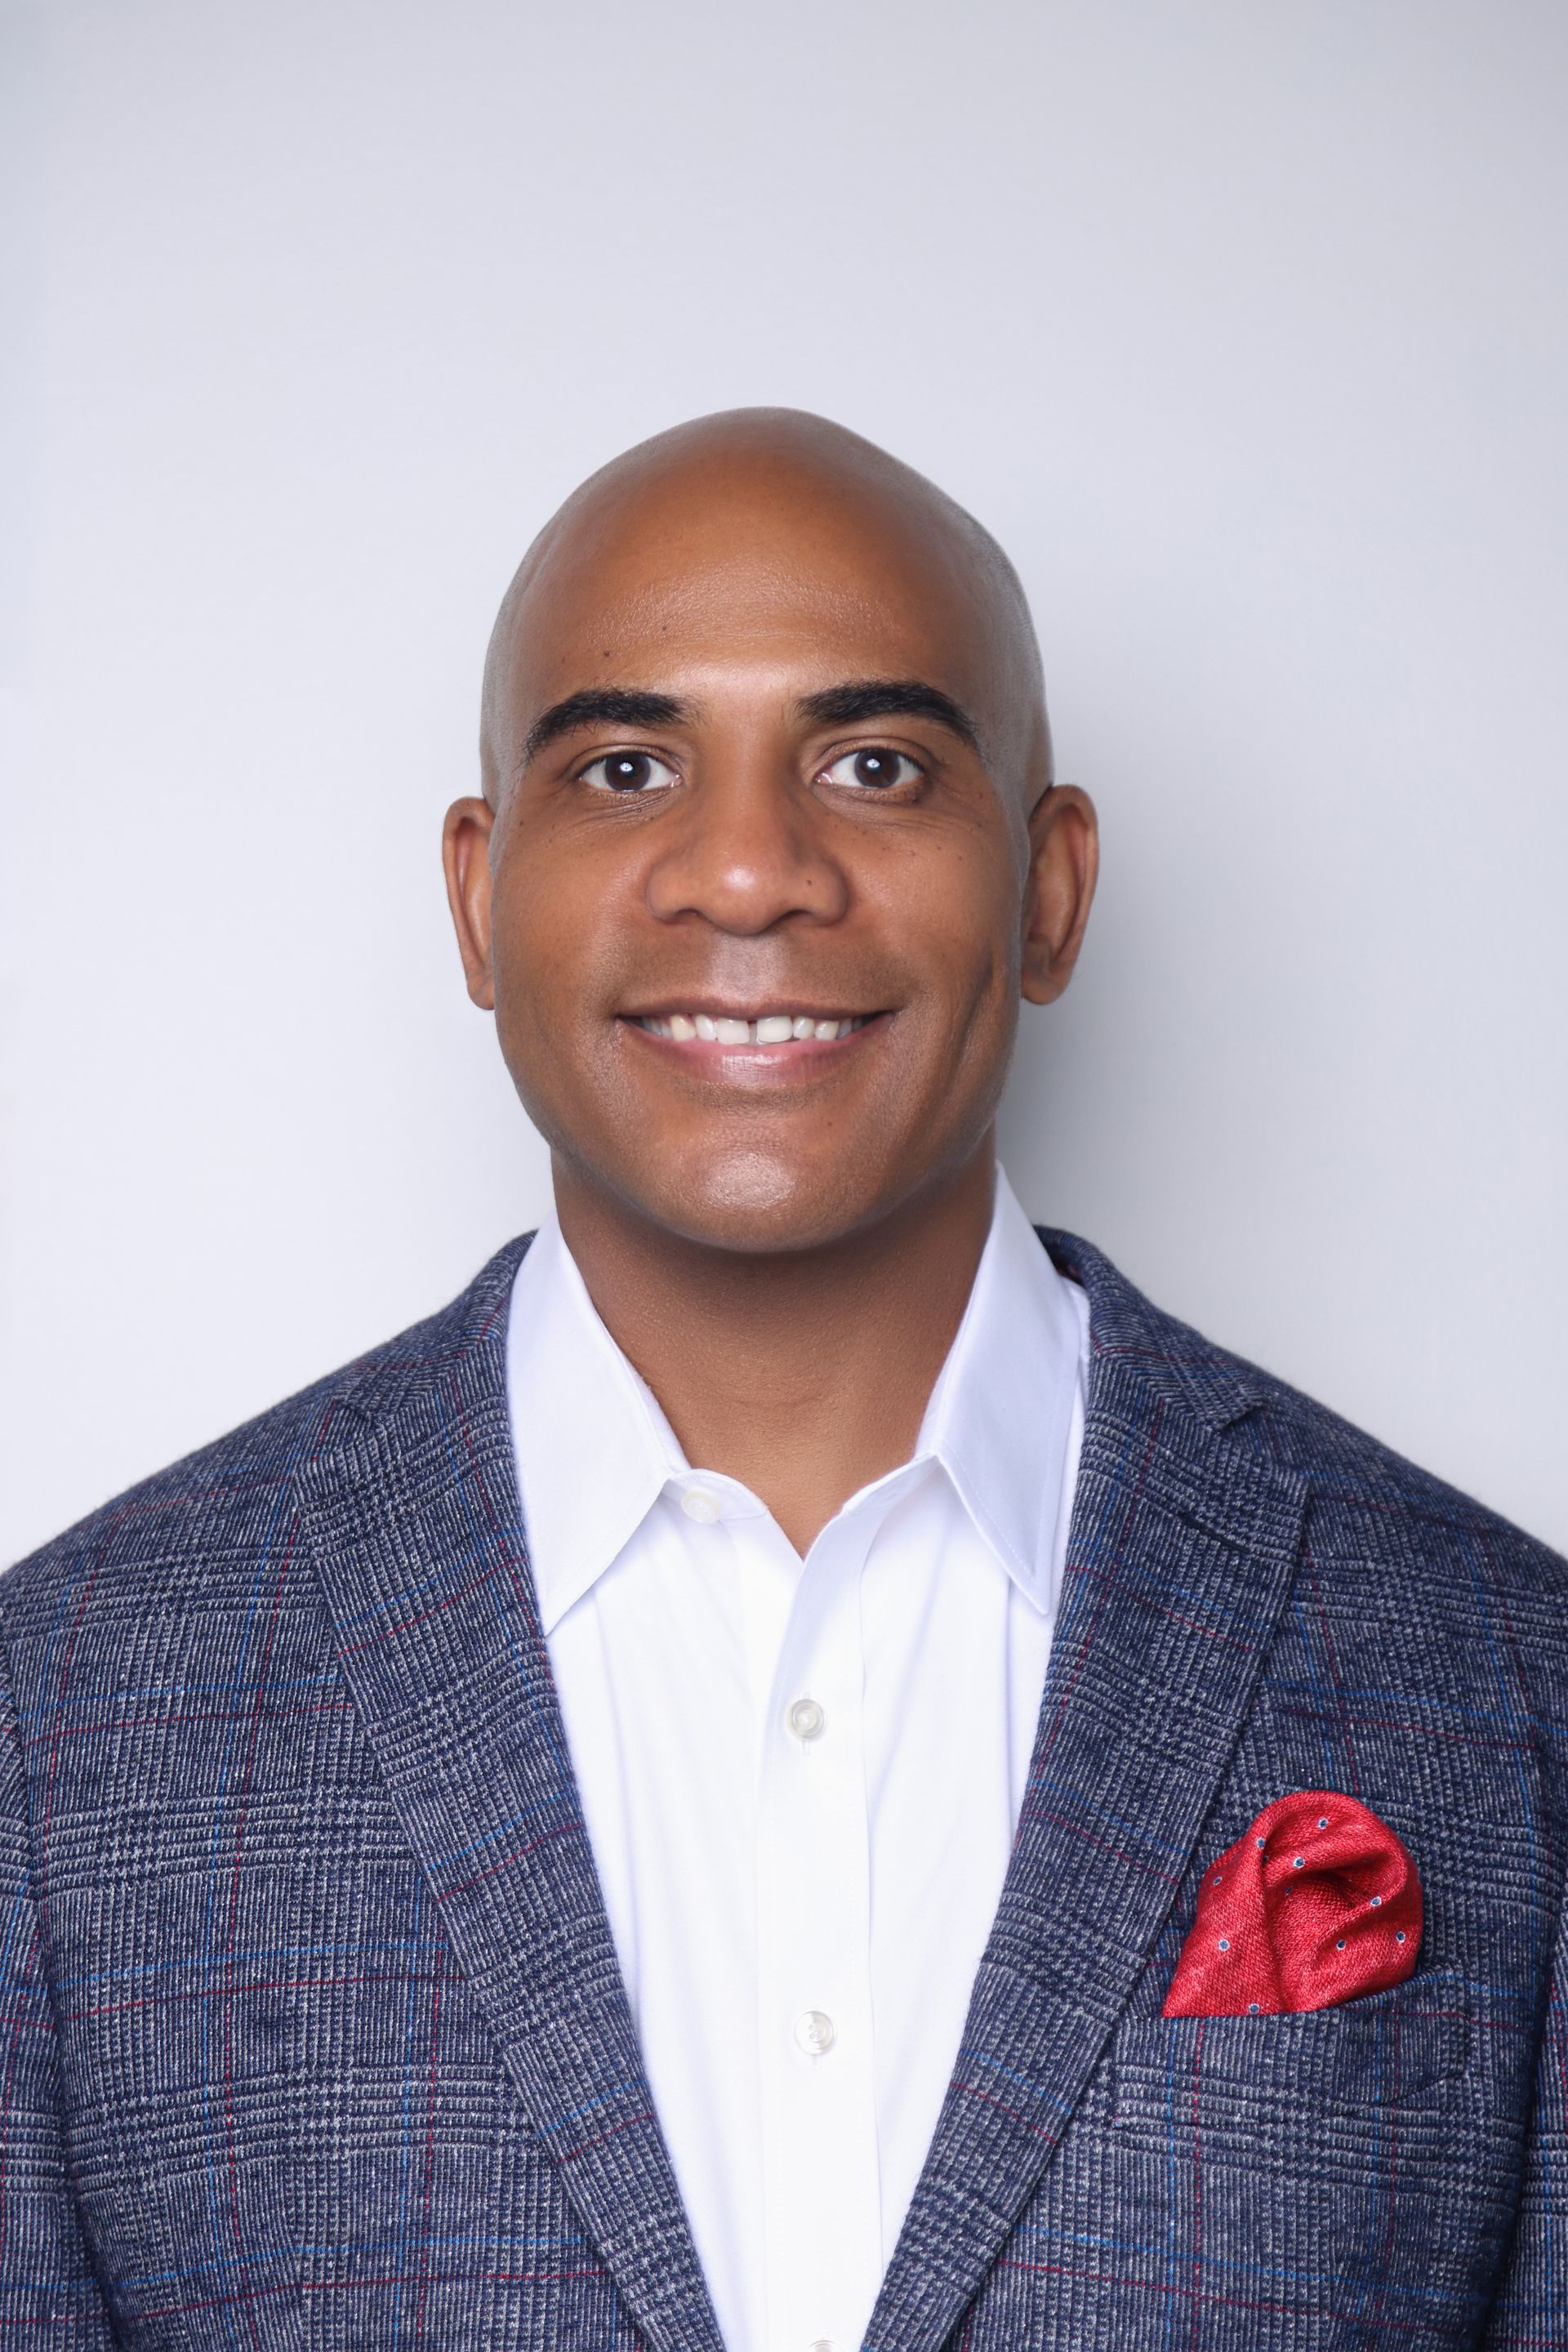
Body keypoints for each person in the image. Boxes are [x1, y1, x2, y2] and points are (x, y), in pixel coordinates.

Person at [2, 409, 1562, 2352]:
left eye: (876, 764)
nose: (748, 873)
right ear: (480, 899)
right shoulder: (63, 1723)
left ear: (1051, 889)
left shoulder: (1504, 1685)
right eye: (629, 765)